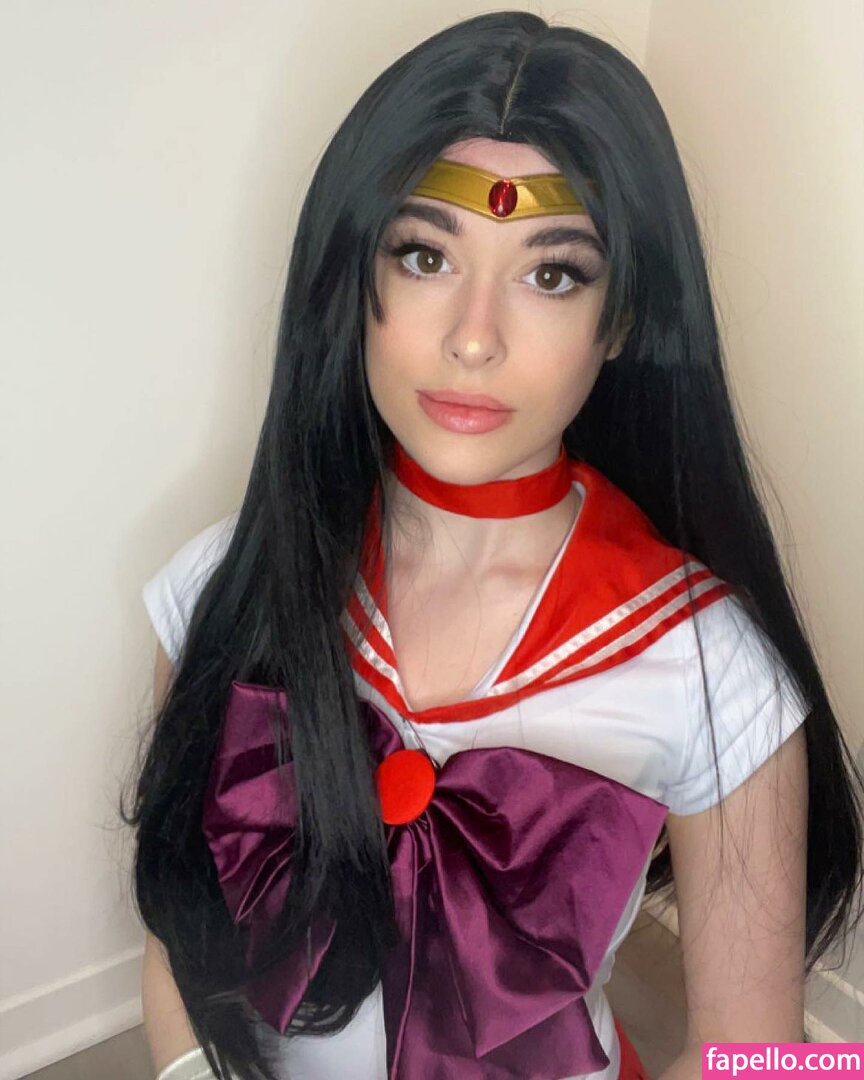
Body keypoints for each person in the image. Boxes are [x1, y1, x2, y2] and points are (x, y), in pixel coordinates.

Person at [122, 10, 863, 1080]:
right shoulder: (217, 588)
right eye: (425, 255)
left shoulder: (716, 672)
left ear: (623, 317)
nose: (474, 336)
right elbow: (175, 922)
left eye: (551, 275)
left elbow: (756, 1057)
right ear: (352, 281)